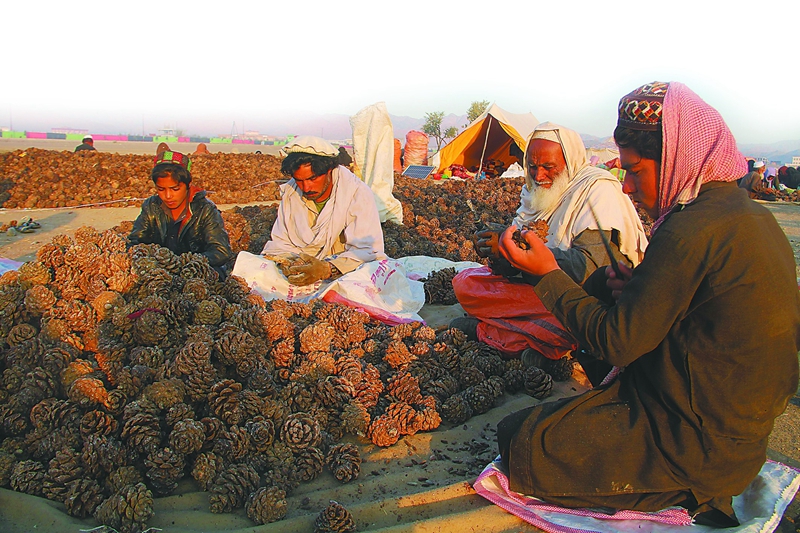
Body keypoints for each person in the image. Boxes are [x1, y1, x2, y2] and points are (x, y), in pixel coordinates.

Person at [495, 81, 800, 526]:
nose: (628, 187)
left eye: (636, 172)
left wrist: (547, 277)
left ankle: (686, 488)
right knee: (602, 284)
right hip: (732, 432)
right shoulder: (746, 214)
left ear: (679, 159)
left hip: (697, 443)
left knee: (520, 441)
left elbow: (618, 345)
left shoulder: (689, 229)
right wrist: (639, 285)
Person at [451, 122, 648, 359]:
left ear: (571, 163)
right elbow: (518, 260)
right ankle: (529, 336)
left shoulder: (597, 191)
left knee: (573, 320)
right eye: (532, 166)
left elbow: (592, 269)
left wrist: (522, 252)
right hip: (539, 287)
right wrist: (500, 250)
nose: (538, 175)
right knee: (466, 282)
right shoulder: (535, 193)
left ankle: (492, 333)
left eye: (548, 167)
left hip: (579, 296)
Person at [250, 135, 384, 285]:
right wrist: (289, 262)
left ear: (329, 171)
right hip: (303, 268)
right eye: (299, 180)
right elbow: (281, 242)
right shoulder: (291, 193)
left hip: (344, 270)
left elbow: (368, 250)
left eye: (313, 179)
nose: (306, 188)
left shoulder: (357, 193)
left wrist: (327, 269)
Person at [128, 150, 234, 276]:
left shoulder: (205, 210)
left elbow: (221, 251)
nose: (168, 196)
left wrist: (186, 263)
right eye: (161, 189)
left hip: (198, 274)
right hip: (158, 274)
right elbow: (135, 243)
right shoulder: (151, 207)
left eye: (175, 189)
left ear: (188, 185)